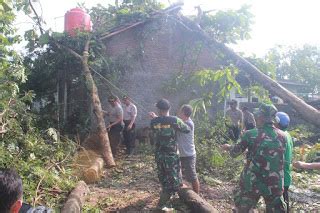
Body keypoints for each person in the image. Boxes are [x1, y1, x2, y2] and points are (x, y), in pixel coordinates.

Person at [221, 103, 287, 212]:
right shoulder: (283, 136)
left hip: (252, 182)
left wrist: (228, 147)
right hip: (274, 183)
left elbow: (234, 153)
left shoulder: (250, 134)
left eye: (257, 116)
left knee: (243, 209)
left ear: (261, 117)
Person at [149, 99, 190, 208]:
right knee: (173, 181)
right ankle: (161, 205)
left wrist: (156, 119)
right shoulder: (174, 120)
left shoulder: (154, 121)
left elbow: (154, 132)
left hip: (159, 155)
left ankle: (166, 197)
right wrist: (180, 121)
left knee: (163, 177)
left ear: (158, 109)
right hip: (171, 156)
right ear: (169, 108)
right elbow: (187, 129)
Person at [177, 104, 200, 194]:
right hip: (181, 154)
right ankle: (180, 192)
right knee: (178, 174)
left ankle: (197, 196)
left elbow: (174, 124)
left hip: (189, 155)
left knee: (192, 176)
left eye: (180, 111)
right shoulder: (182, 122)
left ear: (183, 113)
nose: (179, 113)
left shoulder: (188, 124)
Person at [275, 112, 293, 213]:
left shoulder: (280, 136)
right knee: (285, 202)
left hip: (280, 177)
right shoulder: (288, 135)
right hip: (286, 175)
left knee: (281, 206)